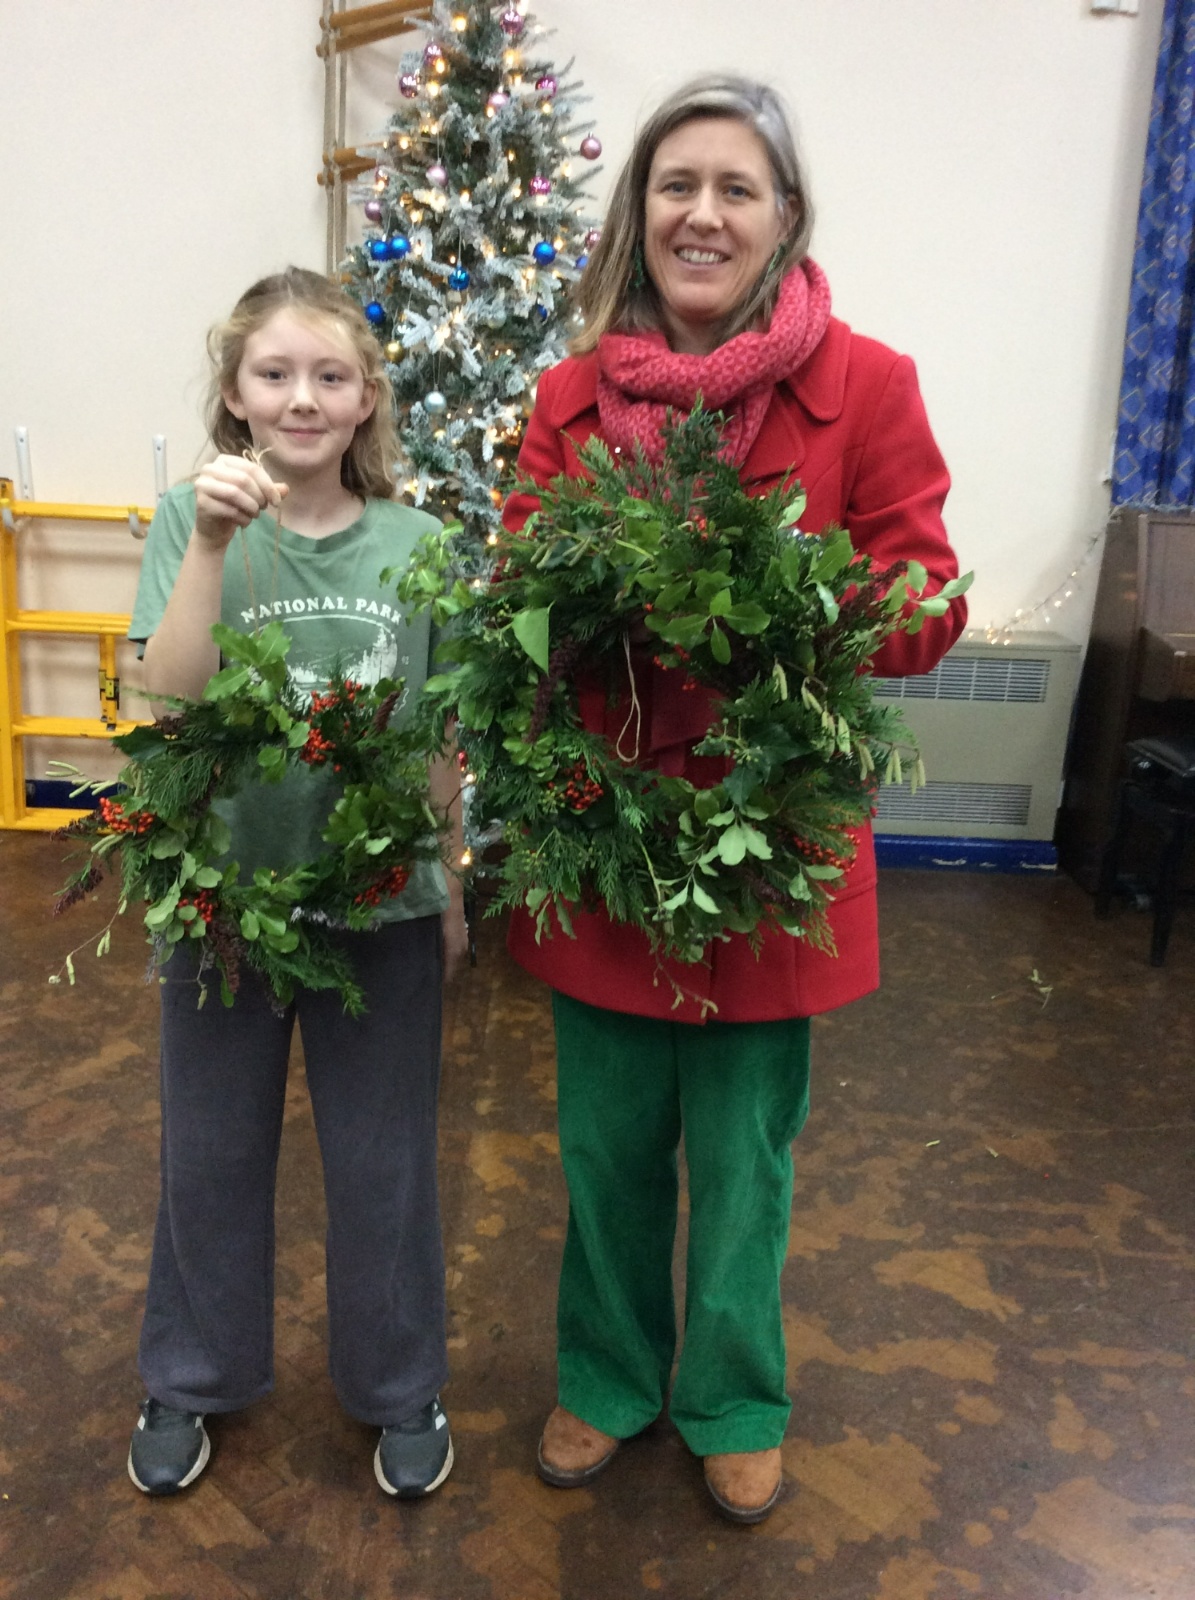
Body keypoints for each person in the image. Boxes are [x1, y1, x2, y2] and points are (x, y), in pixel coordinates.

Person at [501, 76, 967, 1523]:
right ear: (637, 213)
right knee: (604, 1148)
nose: (700, 214)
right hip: (605, 839)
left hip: (772, 850)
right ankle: (605, 1377)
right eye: (674, 185)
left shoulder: (867, 385)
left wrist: (794, 604)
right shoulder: (568, 397)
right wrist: (570, 595)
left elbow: (925, 594)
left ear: (783, 217)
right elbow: (519, 589)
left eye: (734, 188)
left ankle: (731, 1396)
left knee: (744, 1160)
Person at [124, 267, 466, 1500]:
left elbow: (441, 733)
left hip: (381, 906)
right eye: (274, 373)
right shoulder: (190, 520)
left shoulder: (420, 544)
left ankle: (399, 1383)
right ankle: (191, 1373)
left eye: (330, 375)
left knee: (385, 1161)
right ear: (236, 392)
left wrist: (451, 884)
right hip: (224, 900)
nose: (302, 397)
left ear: (367, 396)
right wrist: (213, 546)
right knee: (209, 1152)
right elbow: (169, 700)